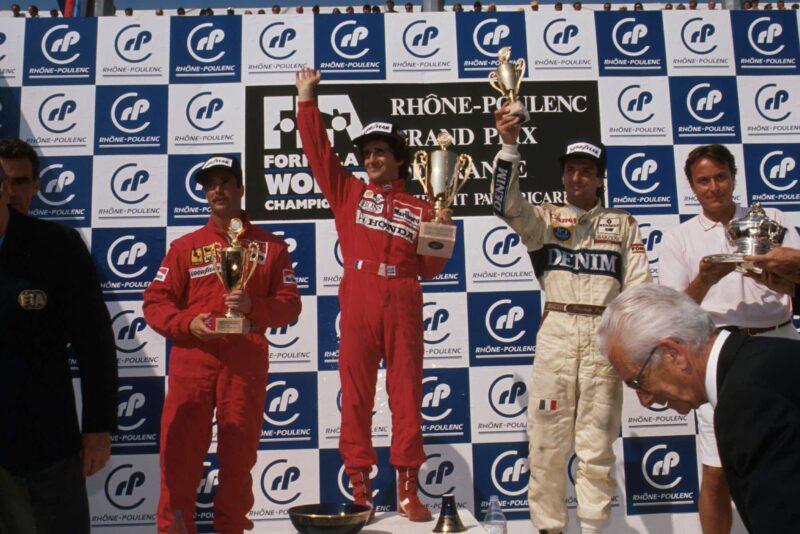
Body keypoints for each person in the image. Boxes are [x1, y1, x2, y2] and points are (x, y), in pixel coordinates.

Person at [295, 68, 450, 523]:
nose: (373, 158)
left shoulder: (423, 206)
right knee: (357, 393)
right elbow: (318, 153)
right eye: (367, 152)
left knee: (406, 394)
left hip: (403, 293)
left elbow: (432, 268)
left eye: (381, 151)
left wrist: (442, 226)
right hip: (360, 291)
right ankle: (361, 489)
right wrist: (307, 100)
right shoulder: (349, 192)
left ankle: (407, 489)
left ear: (399, 159)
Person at [491, 105, 651, 534]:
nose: (578, 177)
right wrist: (509, 144)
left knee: (597, 446)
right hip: (557, 334)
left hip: (604, 337)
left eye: (587, 170)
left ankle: (596, 528)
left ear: (601, 178)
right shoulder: (544, 219)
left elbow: (637, 294)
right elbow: (502, 204)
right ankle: (548, 528)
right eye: (571, 170)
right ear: (562, 175)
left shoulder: (623, 224)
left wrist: (638, 360)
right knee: (546, 443)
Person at [143, 155, 301, 534]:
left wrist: (255, 308)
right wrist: (188, 323)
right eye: (209, 184)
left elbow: (290, 304)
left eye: (225, 181)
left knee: (237, 461)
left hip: (243, 363)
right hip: (192, 362)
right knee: (179, 458)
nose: (217, 190)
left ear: (241, 189)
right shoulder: (185, 247)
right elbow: (155, 302)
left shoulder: (271, 247)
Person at [658, 143, 800, 534]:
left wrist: (778, 272)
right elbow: (673, 310)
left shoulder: (770, 219)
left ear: (734, 177)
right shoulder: (679, 239)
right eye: (703, 180)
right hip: (719, 359)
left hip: (780, 342)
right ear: (691, 186)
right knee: (717, 473)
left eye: (720, 177)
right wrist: (707, 277)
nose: (714, 187)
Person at [597, 283, 800, 534]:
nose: (645, 400)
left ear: (674, 353)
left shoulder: (745, 402)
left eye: (638, 381)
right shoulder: (763, 360)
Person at [0, 147, 118, 533]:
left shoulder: (59, 247)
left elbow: (95, 342)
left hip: (42, 445)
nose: (13, 191)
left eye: (19, 181)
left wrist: (98, 427)